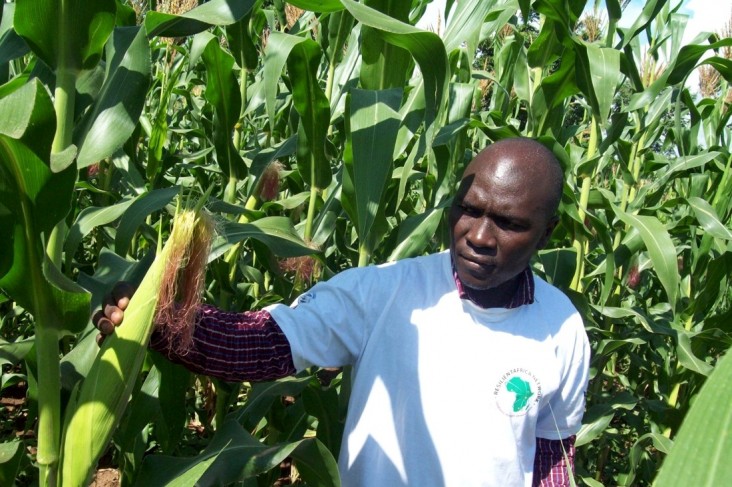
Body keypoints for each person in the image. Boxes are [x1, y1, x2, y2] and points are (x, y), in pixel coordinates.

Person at [95, 137, 590, 487]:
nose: (479, 236)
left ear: (545, 235)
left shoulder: (561, 328)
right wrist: (153, 319)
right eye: (469, 209)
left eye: (507, 223)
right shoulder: (387, 292)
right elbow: (262, 344)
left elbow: (551, 464)